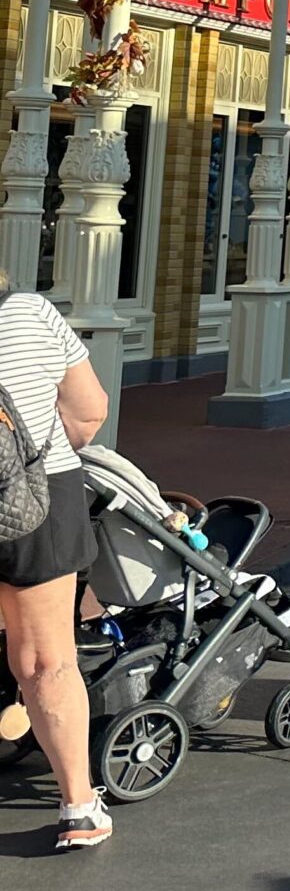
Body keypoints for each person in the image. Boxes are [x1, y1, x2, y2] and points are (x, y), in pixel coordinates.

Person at [0, 282, 114, 849]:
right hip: (37, 498)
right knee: (45, 660)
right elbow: (89, 413)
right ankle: (79, 807)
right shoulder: (28, 313)